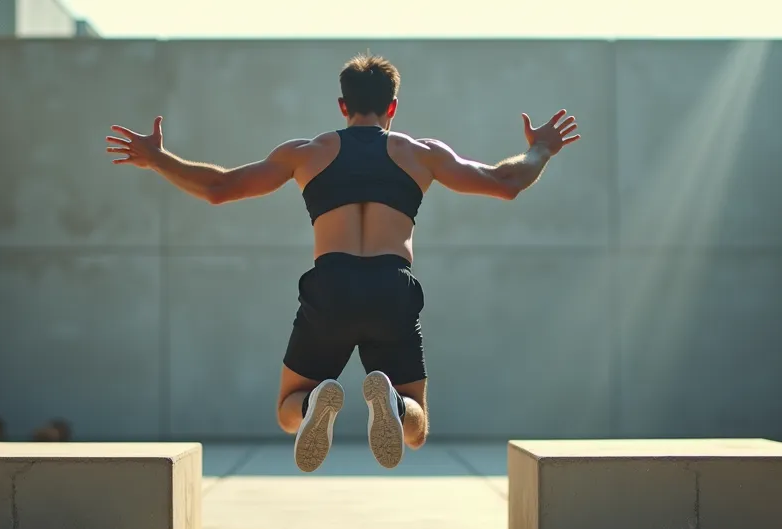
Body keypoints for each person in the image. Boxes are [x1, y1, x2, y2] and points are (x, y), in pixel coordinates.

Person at [105, 53, 579, 473]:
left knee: (288, 406)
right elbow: (505, 181)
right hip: (391, 287)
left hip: (329, 286)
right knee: (416, 424)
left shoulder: (306, 153)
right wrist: (542, 148)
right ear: (393, 106)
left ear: (342, 105)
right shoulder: (421, 153)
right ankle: (392, 403)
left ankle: (315, 405)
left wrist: (158, 158)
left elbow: (219, 188)